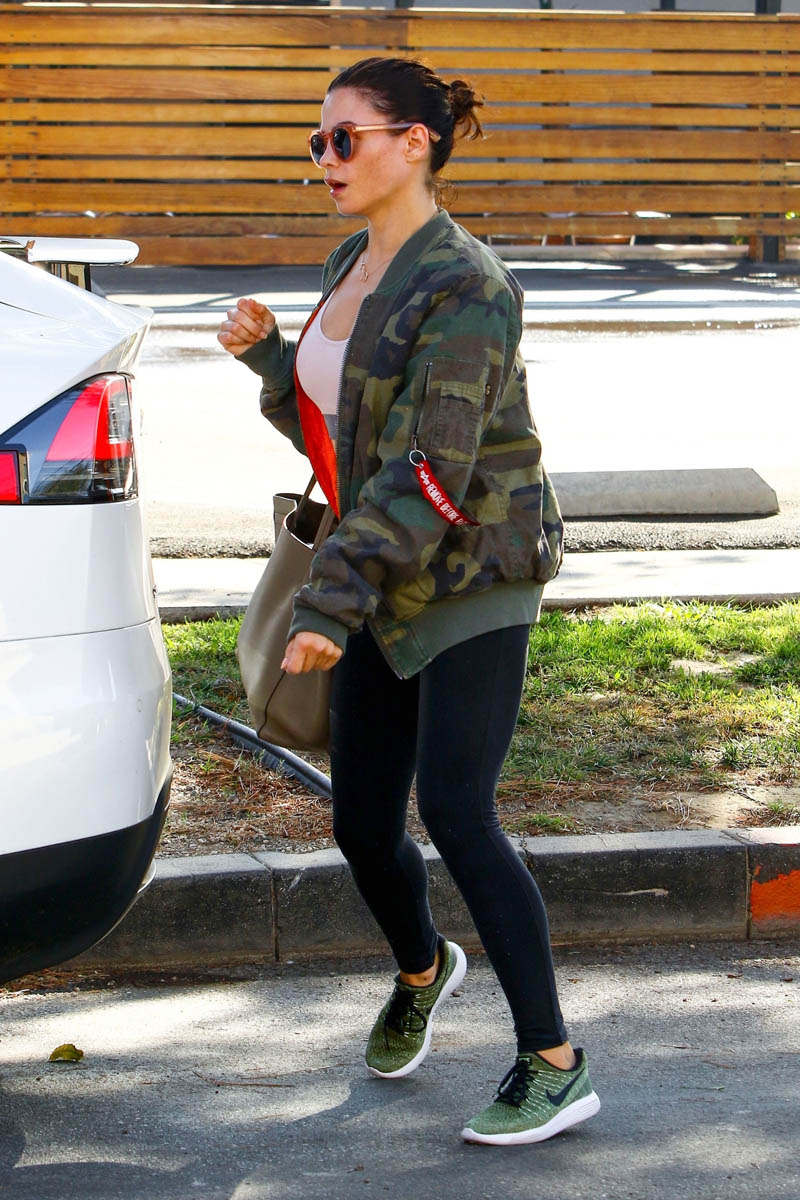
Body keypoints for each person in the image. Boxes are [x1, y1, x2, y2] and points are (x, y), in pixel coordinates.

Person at [218, 56, 600, 1146]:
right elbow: (349, 437)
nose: (324, 158)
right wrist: (274, 364)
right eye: (317, 141)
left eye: (345, 138)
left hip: (471, 574)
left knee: (459, 812)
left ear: (414, 142)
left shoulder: (468, 285)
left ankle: (554, 1063)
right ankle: (425, 969)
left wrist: (326, 606)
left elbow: (428, 471)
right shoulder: (352, 262)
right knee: (359, 822)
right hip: (381, 567)